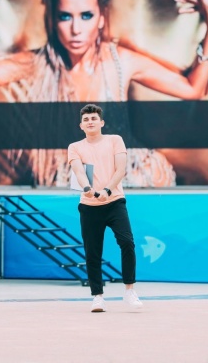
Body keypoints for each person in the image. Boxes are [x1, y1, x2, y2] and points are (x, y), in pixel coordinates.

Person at [0, 0, 208, 187]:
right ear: (53, 19)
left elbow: (193, 89)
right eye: (65, 16)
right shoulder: (37, 64)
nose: (76, 30)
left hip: (135, 183)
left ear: (101, 18)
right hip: (75, 188)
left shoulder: (119, 62)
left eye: (86, 16)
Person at [68, 103, 141, 312]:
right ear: (81, 125)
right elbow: (79, 171)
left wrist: (107, 191)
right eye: (86, 120)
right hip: (89, 205)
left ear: (101, 122)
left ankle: (129, 290)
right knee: (92, 252)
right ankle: (97, 297)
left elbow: (120, 170)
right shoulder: (75, 147)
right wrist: (88, 189)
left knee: (127, 243)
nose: (90, 122)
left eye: (93, 119)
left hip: (114, 201)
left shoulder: (115, 140)